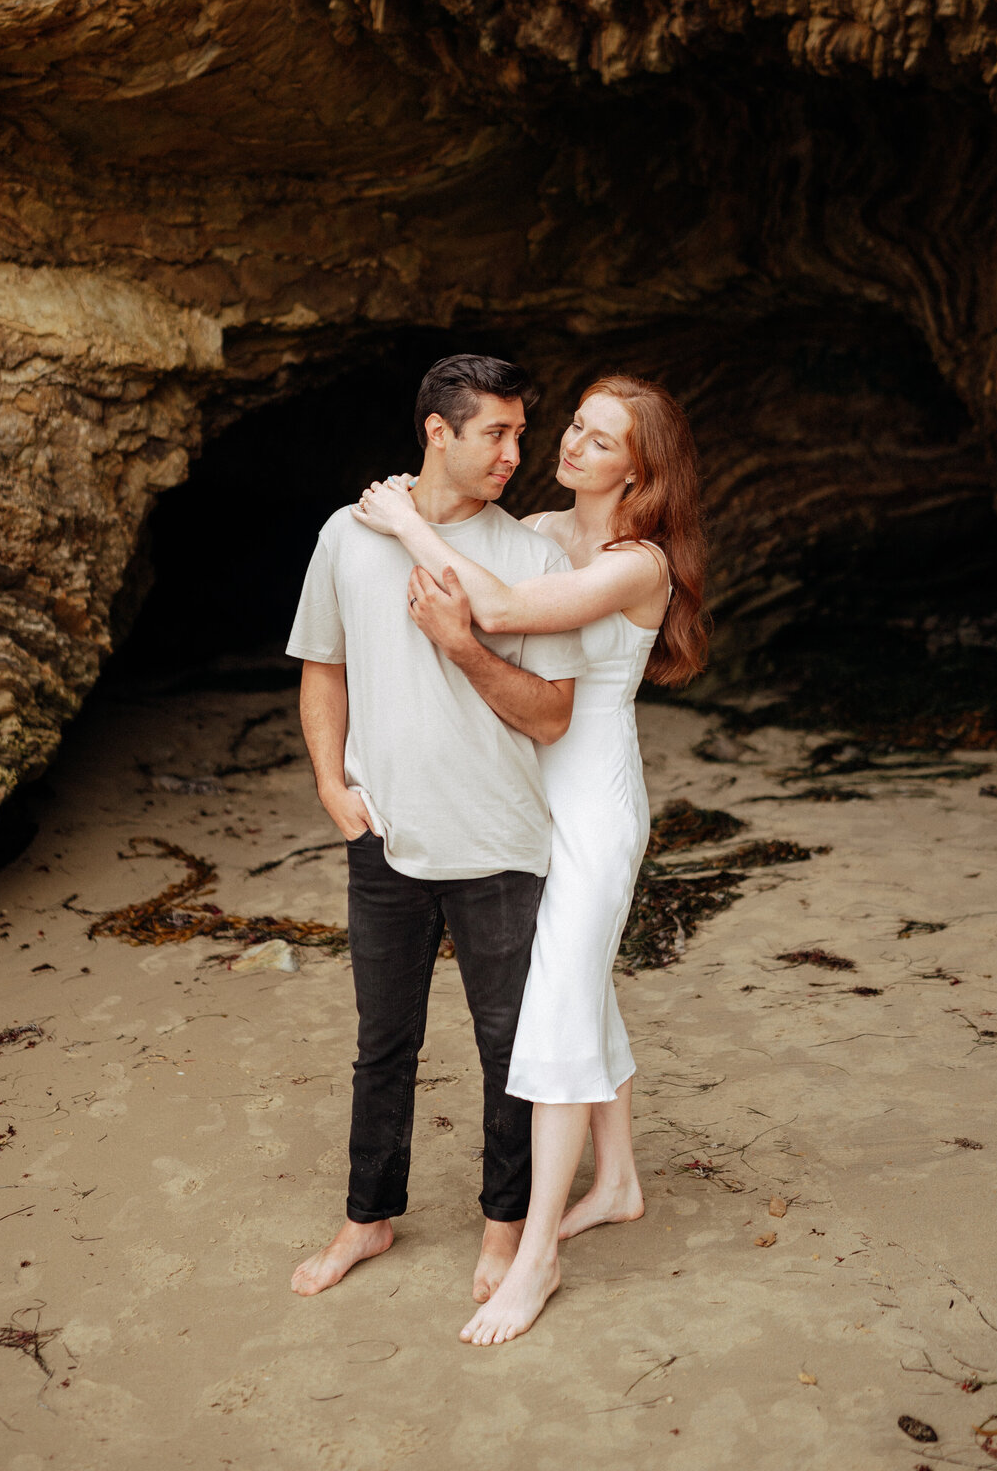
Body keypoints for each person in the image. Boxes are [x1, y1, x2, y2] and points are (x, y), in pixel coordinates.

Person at [355, 373, 708, 1343]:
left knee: (552, 1011)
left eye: (603, 441)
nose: (574, 447)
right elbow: (484, 551)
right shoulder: (551, 531)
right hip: (531, 795)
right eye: (578, 430)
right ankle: (622, 1181)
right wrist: (398, 512)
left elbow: (501, 611)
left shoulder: (638, 564)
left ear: (641, 471)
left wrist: (404, 524)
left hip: (594, 805)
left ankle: (538, 1252)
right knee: (585, 986)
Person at [285, 354, 587, 1301]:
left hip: (499, 839)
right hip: (385, 835)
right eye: (495, 432)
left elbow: (549, 715)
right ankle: (366, 1220)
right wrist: (332, 784)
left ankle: (503, 1233)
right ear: (437, 431)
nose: (515, 452)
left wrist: (463, 646)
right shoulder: (348, 536)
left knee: (509, 1047)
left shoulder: (535, 559)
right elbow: (322, 666)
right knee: (384, 1043)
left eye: (520, 433)